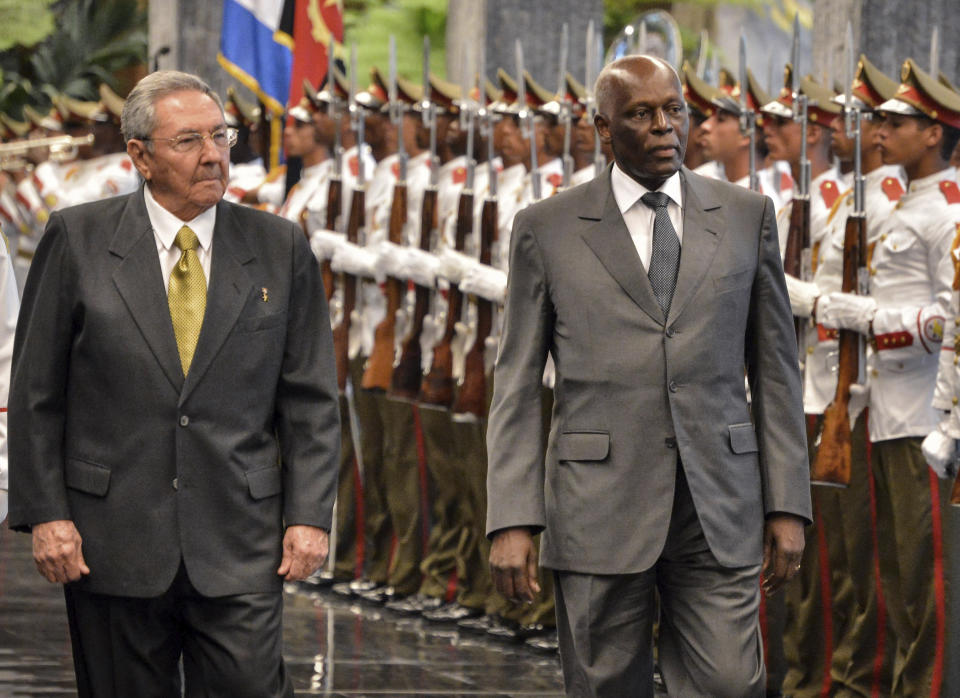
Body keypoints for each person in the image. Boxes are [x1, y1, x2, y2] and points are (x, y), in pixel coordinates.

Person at [6, 70, 340, 698]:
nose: (214, 154)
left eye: (221, 135)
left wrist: (310, 514)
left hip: (241, 538)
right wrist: (46, 513)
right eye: (189, 141)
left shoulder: (278, 245)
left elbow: (311, 399)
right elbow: (36, 393)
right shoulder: (78, 238)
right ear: (141, 156)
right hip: (111, 539)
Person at [485, 55, 811, 697]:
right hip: (598, 504)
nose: (665, 126)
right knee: (605, 685)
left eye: (674, 110)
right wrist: (512, 518)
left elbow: (775, 369)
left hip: (717, 500)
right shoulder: (547, 228)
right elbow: (517, 383)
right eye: (641, 113)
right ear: (604, 129)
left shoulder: (747, 216)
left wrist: (787, 502)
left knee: (728, 684)